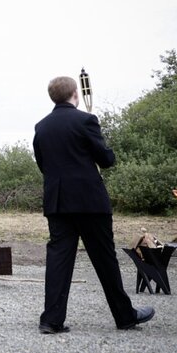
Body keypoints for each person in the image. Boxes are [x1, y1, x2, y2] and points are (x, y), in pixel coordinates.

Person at [33, 76, 155, 334]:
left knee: (58, 261)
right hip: (89, 202)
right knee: (104, 259)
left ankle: (51, 320)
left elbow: (43, 164)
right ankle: (125, 316)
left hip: (57, 202)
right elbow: (106, 159)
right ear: (75, 94)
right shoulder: (86, 120)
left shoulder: (41, 127)